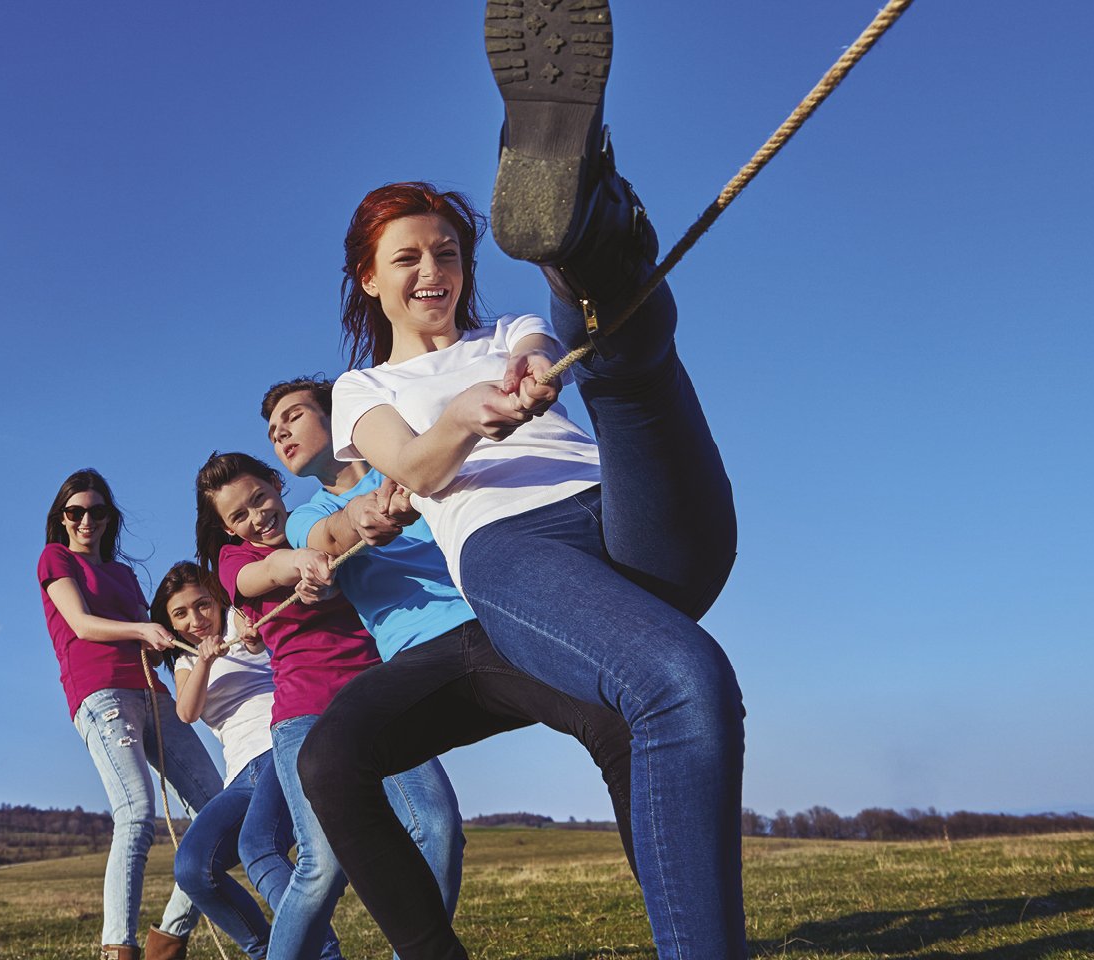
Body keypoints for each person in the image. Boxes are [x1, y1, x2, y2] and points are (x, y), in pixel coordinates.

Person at [318, 5, 746, 956]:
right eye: (409, 259)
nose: (435, 271)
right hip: (516, 547)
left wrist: (525, 367)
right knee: (687, 682)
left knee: (625, 368)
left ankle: (581, 228)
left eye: (449, 251)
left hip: (632, 514)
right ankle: (585, 220)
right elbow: (416, 463)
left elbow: (553, 353)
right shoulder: (363, 389)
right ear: (370, 280)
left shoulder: (507, 331)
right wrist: (467, 416)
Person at [257, 375, 637, 906]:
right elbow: (330, 536)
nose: (280, 434)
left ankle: (686, 923)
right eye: (273, 431)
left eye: (292, 417)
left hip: (503, 629)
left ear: (335, 417)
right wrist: (364, 515)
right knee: (329, 767)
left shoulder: (418, 464)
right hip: (424, 663)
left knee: (619, 724)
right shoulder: (305, 517)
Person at [196, 452, 461, 960]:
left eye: (259, 498)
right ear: (228, 529)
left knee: (439, 829)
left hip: (380, 698)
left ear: (277, 484)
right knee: (322, 863)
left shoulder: (316, 523)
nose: (256, 517)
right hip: (305, 716)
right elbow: (263, 574)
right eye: (238, 516)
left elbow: (360, 536)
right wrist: (296, 563)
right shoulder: (236, 561)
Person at [37, 469, 225, 960]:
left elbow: (160, 639)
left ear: (109, 518)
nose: (86, 521)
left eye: (97, 512)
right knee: (136, 815)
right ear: (62, 518)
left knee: (219, 812)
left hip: (152, 692)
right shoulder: (55, 558)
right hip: (101, 694)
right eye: (75, 512)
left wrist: (212, 641)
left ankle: (169, 939)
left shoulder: (123, 574)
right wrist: (142, 632)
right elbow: (80, 624)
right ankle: (117, 949)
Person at [151, 562, 342, 960]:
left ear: (216, 601)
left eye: (202, 605)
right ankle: (265, 950)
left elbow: (268, 641)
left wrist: (255, 638)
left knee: (260, 846)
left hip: (283, 746)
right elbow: (187, 712)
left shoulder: (241, 619)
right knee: (192, 867)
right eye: (181, 614)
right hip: (240, 775)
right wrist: (203, 659)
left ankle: (323, 953)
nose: (196, 619)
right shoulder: (186, 663)